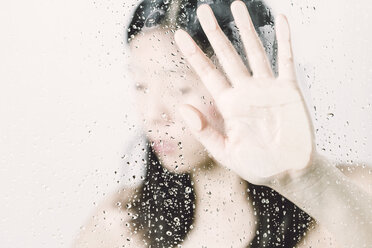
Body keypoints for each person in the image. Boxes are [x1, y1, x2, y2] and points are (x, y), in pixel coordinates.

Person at [73, 0, 372, 247]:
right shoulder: (120, 222)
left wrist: (309, 180)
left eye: (179, 89)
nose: (152, 113)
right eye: (140, 85)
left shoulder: (355, 193)